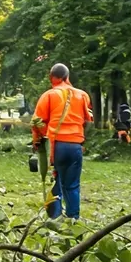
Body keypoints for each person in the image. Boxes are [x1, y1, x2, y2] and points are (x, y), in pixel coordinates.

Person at [31, 63, 93, 219]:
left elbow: (37, 121)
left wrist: (38, 141)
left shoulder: (49, 95)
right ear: (67, 77)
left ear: (52, 77)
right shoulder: (82, 95)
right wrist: (81, 139)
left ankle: (55, 217)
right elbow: (89, 119)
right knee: (72, 185)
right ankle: (73, 219)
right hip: (75, 146)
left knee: (57, 179)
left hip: (56, 146)